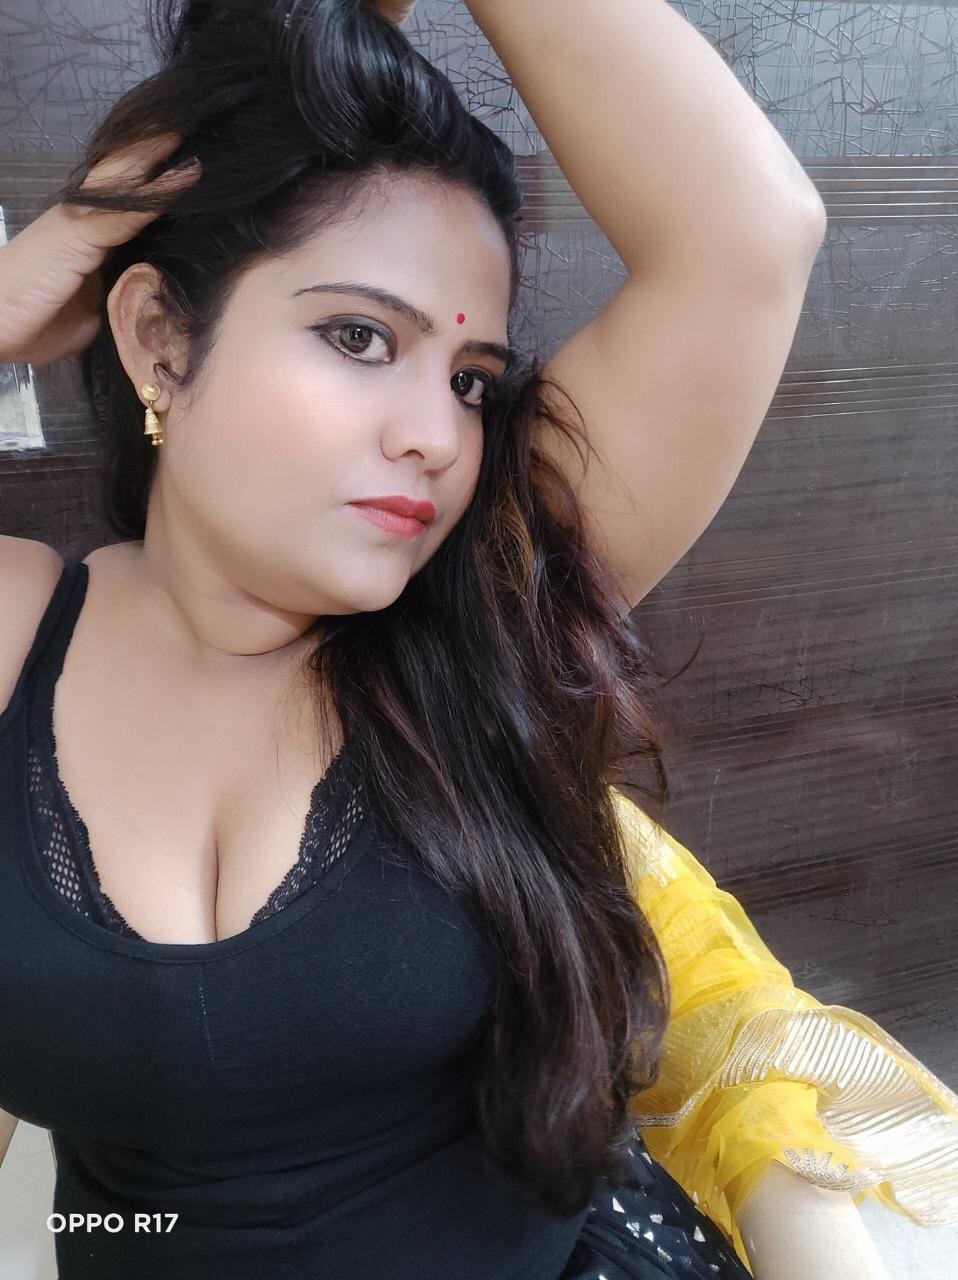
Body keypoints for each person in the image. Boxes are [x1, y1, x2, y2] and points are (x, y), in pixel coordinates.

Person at [0, 1, 953, 1277]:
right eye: (358, 337)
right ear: (158, 338)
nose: (436, 437)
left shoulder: (482, 600)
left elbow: (747, 236)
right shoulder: (18, 629)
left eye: (470, 381)